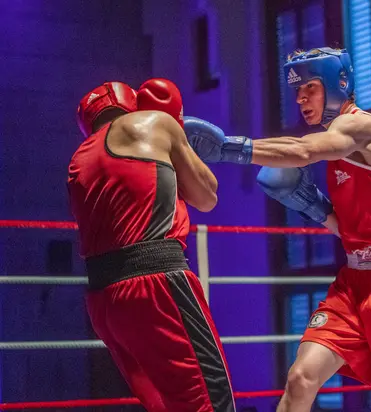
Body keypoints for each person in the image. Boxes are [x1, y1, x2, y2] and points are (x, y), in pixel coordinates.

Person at [181, 47, 371, 412]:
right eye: (296, 91)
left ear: (337, 83)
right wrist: (313, 205)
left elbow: (301, 151)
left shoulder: (361, 126)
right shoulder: (337, 144)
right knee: (300, 379)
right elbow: (351, 231)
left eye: (308, 87)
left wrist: (230, 149)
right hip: (355, 280)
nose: (299, 98)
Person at [68, 79, 235, 412]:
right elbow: (207, 196)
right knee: (209, 404)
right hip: (156, 286)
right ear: (132, 104)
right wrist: (179, 136)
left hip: (104, 303)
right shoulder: (156, 122)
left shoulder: (78, 160)